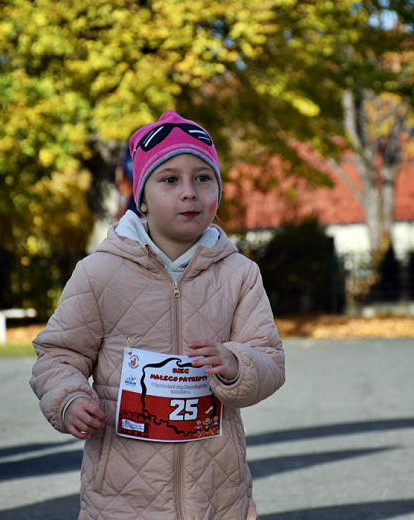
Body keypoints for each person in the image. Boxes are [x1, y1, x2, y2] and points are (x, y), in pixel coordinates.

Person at [30, 110, 285, 519]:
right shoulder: (98, 273)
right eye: (170, 179)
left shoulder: (240, 274)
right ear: (142, 199)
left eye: (203, 178)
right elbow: (57, 356)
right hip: (121, 498)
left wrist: (236, 364)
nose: (190, 192)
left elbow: (270, 360)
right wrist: (69, 399)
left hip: (216, 498)